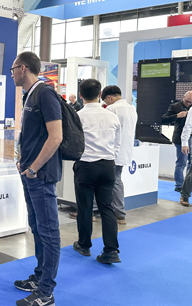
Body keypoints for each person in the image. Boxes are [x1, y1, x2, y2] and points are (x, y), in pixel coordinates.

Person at [11, 52, 62, 306]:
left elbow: (56, 136)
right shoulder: (29, 94)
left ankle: (46, 292)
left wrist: (34, 168)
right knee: (38, 227)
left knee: (49, 231)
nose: (12, 74)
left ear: (23, 68)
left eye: (13, 69)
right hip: (30, 173)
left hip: (40, 175)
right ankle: (40, 275)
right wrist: (24, 161)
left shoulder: (45, 93)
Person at [73, 79, 122, 264]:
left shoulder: (78, 116)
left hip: (86, 165)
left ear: (80, 95)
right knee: (107, 207)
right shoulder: (112, 116)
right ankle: (111, 250)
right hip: (108, 165)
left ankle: (84, 245)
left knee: (85, 207)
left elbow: (73, 143)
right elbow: (117, 143)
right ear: (100, 94)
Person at [101, 85, 138, 225]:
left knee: (110, 181)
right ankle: (118, 212)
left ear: (109, 98)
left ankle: (118, 213)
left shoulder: (112, 109)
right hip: (124, 151)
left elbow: (106, 131)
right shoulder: (132, 108)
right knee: (116, 179)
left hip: (111, 152)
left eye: (105, 101)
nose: (105, 103)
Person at [161, 92, 192, 191]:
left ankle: (188, 184)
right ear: (183, 97)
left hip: (191, 137)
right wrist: (177, 116)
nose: (189, 104)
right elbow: (164, 119)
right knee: (181, 163)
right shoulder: (175, 106)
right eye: (187, 101)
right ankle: (179, 185)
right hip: (180, 139)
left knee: (190, 163)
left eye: (191, 102)